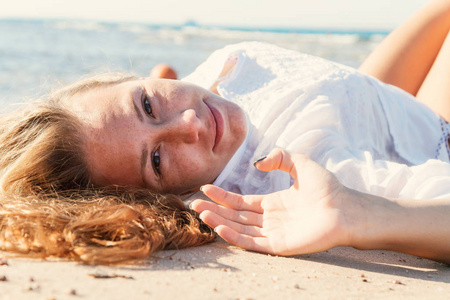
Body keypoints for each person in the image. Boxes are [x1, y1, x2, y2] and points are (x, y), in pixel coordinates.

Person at [0, 0, 449, 265]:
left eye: (148, 103)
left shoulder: (212, 83)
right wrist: (360, 214)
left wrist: (170, 91)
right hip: (431, 134)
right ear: (161, 197)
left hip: (369, 101)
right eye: (157, 160)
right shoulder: (296, 170)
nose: (190, 124)